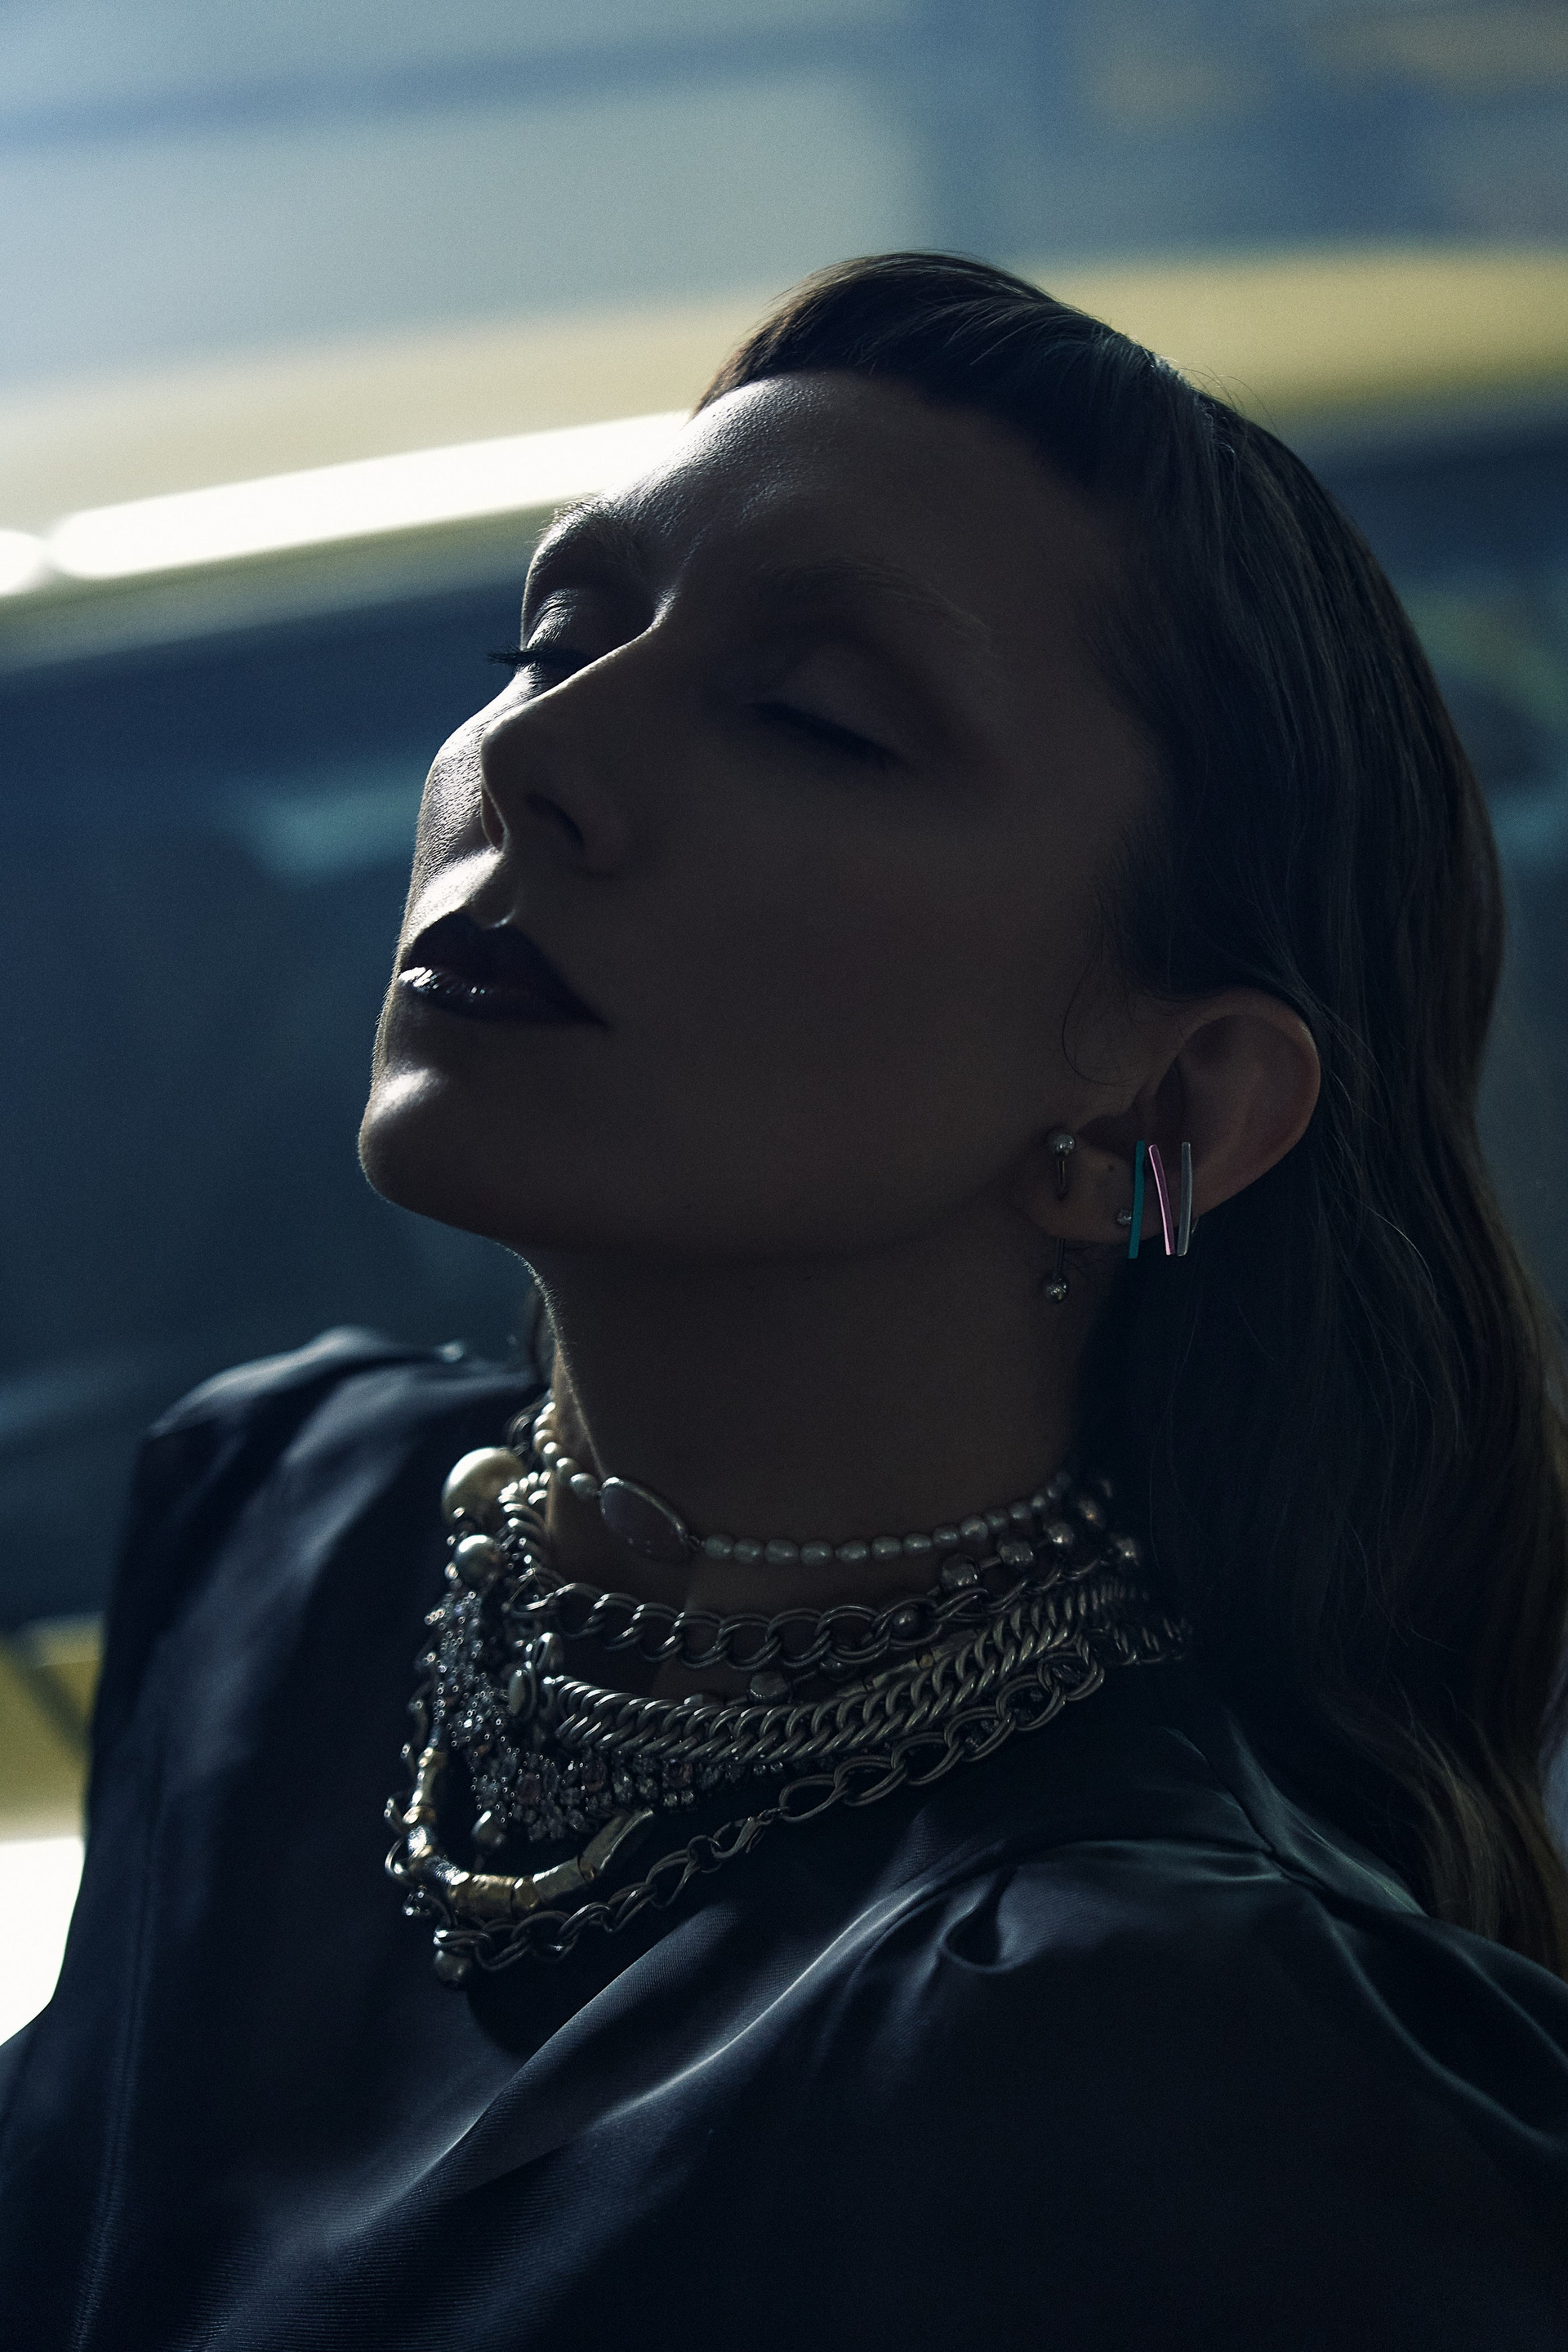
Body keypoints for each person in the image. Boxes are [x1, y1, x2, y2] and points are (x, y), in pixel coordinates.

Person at [4, 252, 1567, 2350]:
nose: (537, 751)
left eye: (817, 720)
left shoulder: (1198, 2071)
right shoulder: (282, 1534)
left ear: (1166, 1104)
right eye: (552, 638)